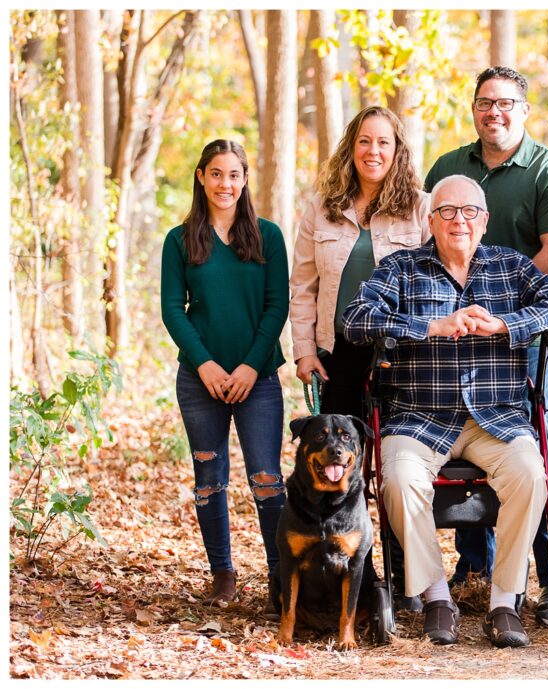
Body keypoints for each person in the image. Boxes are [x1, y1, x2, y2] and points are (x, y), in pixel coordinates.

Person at [341, 175, 548, 648]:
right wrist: (430, 326)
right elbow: (355, 319)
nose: (459, 221)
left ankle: (503, 602)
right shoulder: (402, 268)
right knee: (399, 479)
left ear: (485, 220)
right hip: (418, 417)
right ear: (431, 220)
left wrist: (505, 324)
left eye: (470, 211)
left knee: (532, 475)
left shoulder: (511, 268)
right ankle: (435, 599)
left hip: (497, 418)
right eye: (447, 211)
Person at [424, 66, 548, 627]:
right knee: (463, 447)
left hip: (520, 339)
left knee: (538, 455)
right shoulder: (448, 168)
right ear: (474, 108)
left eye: (507, 103)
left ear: (525, 110)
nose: (496, 112)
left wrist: (498, 314)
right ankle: (478, 570)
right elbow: (432, 249)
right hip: (456, 342)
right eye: (486, 102)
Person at [289, 106, 431, 612]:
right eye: (365, 142)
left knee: (397, 464)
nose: (374, 152)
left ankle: (405, 577)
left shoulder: (420, 208)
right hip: (340, 355)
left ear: (398, 151)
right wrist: (304, 351)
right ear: (351, 147)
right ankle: (358, 574)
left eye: (384, 143)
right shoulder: (322, 208)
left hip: (404, 354)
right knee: (342, 467)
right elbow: (302, 286)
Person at [161, 140, 289, 608]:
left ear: (245, 180)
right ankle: (222, 574)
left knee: (266, 477)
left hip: (258, 381)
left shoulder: (268, 236)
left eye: (233, 174)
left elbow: (277, 307)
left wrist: (251, 365)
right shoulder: (180, 240)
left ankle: (281, 578)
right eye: (216, 174)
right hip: (200, 381)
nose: (225, 184)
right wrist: (207, 364)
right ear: (201, 177)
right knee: (209, 477)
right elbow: (173, 311)